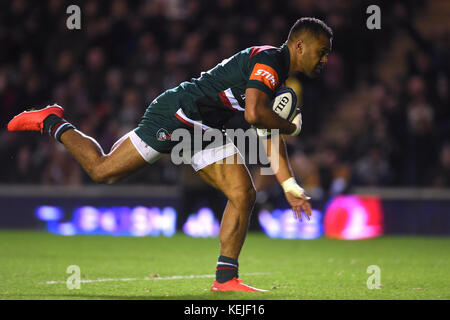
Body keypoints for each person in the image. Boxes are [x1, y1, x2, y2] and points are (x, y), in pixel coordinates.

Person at [8, 17, 332, 292]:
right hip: (178, 116)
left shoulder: (278, 78)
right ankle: (51, 121)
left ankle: (226, 278)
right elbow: (253, 115)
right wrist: (291, 127)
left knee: (243, 193)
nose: (324, 60)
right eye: (321, 52)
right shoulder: (271, 61)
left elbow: (266, 129)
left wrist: (290, 187)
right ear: (299, 46)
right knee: (102, 170)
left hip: (204, 128)